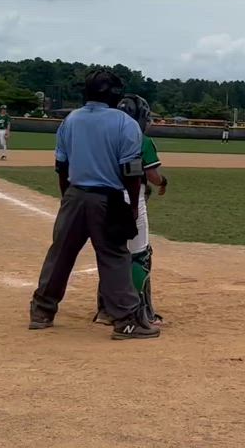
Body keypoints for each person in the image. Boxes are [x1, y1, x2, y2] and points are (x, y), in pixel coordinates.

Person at [28, 69, 159, 340]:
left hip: (74, 195)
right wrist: (133, 206)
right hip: (107, 198)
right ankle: (126, 321)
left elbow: (61, 166)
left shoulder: (71, 120)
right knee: (114, 257)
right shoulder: (125, 123)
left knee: (60, 255)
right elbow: (132, 172)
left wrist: (67, 197)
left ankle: (42, 312)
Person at [95, 94, 169, 327]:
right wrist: (163, 182)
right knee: (139, 255)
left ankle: (105, 311)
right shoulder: (141, 139)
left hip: (103, 198)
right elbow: (152, 175)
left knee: (112, 256)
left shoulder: (104, 137)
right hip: (131, 199)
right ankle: (138, 312)